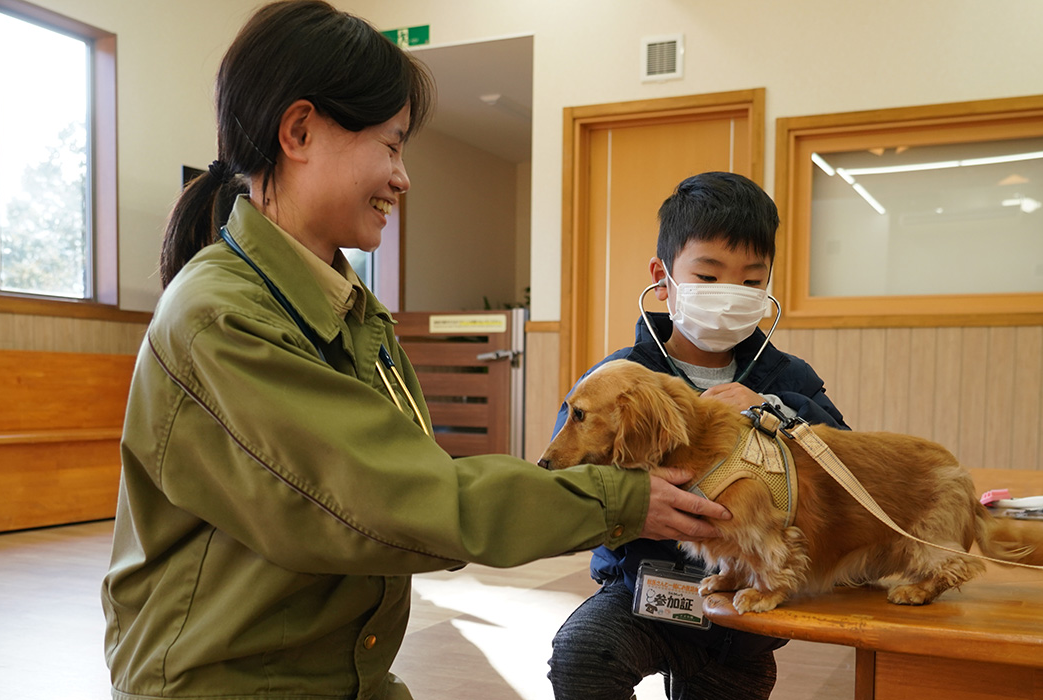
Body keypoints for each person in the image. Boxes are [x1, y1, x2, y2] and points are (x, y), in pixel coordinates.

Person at [100, 3, 731, 699]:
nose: (403, 178)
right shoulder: (220, 319)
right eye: (392, 146)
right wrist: (616, 500)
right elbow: (391, 501)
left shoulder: (352, 309)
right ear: (300, 131)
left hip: (345, 674)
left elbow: (409, 480)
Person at [547, 171, 849, 700]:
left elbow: (845, 467)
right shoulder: (616, 379)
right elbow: (561, 488)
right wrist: (632, 500)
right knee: (584, 656)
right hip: (640, 592)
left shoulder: (788, 379)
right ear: (662, 277)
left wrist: (774, 409)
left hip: (744, 612)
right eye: (708, 277)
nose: (730, 296)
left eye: (751, 283)